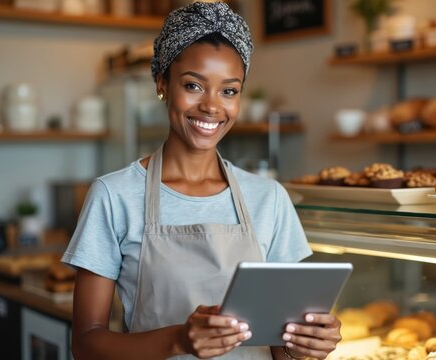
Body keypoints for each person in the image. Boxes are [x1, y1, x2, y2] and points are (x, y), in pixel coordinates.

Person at [62, 2, 342, 359]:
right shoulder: (114, 195)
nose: (212, 107)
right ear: (162, 83)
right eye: (193, 85)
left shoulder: (269, 199)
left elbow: (278, 349)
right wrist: (178, 341)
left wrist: (303, 347)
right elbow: (85, 345)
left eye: (229, 91)